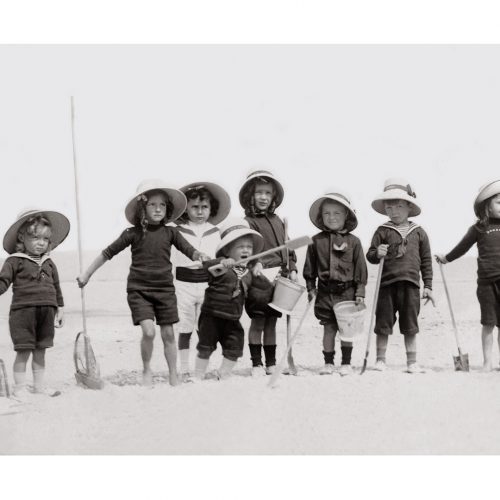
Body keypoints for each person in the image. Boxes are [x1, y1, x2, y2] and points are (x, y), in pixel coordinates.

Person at [77, 179, 208, 386]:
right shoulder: (133, 233)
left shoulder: (171, 232)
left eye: (162, 205)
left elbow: (189, 250)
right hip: (139, 290)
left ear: (168, 209)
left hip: (165, 289)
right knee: (149, 331)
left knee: (168, 334)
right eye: (152, 204)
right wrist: (87, 275)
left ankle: (173, 374)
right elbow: (106, 253)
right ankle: (147, 369)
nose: (158, 209)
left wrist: (199, 255)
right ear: (142, 208)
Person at [366, 178, 434, 373]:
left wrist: (428, 285)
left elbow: (426, 261)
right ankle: (380, 360)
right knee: (383, 323)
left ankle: (412, 362)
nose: (394, 211)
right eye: (389, 207)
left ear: (409, 207)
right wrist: (377, 252)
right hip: (386, 284)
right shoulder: (382, 231)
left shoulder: (419, 233)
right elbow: (370, 255)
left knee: (410, 324)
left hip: (412, 285)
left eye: (399, 206)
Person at [0, 209, 70, 397]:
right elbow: (3, 283)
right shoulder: (15, 261)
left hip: (46, 311)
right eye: (35, 237)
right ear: (22, 237)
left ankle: (39, 387)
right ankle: (20, 388)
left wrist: (60, 308)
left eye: (45, 239)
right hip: (23, 313)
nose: (41, 243)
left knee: (41, 351)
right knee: (23, 351)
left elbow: (56, 287)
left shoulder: (49, 263)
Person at [436, 180, 500, 372]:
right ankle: (487, 362)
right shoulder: (479, 228)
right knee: (488, 323)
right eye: (499, 202)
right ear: (486, 206)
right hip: (487, 283)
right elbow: (463, 247)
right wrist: (446, 258)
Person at [239, 169, 298, 375]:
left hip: (279, 279)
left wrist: (292, 268)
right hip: (258, 278)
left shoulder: (279, 221)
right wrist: (254, 262)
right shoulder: (247, 222)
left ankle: (271, 363)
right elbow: (244, 250)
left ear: (273, 197)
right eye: (259, 193)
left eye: (267, 193)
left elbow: (287, 248)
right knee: (258, 321)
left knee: (272, 322)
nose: (263, 197)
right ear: (250, 196)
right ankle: (256, 363)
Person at [303, 190, 367, 376]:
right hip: (325, 293)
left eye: (337, 213)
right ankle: (328, 363)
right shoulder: (315, 241)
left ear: (346, 215)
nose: (332, 217)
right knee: (328, 328)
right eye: (327, 213)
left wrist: (360, 292)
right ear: (321, 216)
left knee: (347, 330)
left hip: (347, 292)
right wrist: (310, 288)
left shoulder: (354, 242)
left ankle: (346, 363)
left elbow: (360, 269)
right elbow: (310, 268)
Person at [171, 182, 230, 381]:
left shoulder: (216, 232)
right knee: (184, 326)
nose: (199, 211)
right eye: (194, 207)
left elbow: (221, 258)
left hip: (207, 284)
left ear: (211, 208)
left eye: (204, 207)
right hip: (183, 283)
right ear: (186, 209)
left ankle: (205, 365)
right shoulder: (177, 231)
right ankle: (184, 367)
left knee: (206, 327)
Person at [194, 218, 264, 380]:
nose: (245, 250)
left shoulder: (248, 272)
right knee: (205, 346)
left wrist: (259, 265)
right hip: (211, 315)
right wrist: (223, 262)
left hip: (233, 318)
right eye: (240, 247)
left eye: (249, 247)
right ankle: (198, 375)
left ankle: (223, 373)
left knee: (235, 347)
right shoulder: (220, 265)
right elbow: (206, 268)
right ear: (227, 250)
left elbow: (261, 291)